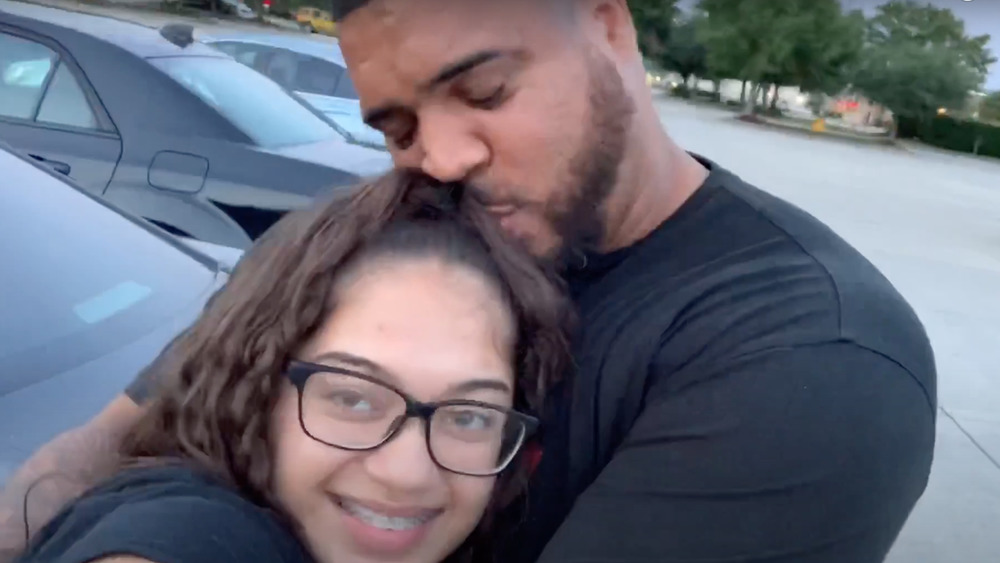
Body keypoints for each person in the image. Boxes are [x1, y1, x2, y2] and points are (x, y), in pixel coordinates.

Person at [0, 1, 937, 562]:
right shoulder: (381, 234)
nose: (441, 158)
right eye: (398, 126)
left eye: (485, 93)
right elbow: (113, 442)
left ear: (610, 26)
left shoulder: (808, 352)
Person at [9, 171, 572, 563]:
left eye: (469, 415)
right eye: (353, 397)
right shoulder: (194, 530)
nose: (407, 474)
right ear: (256, 392)